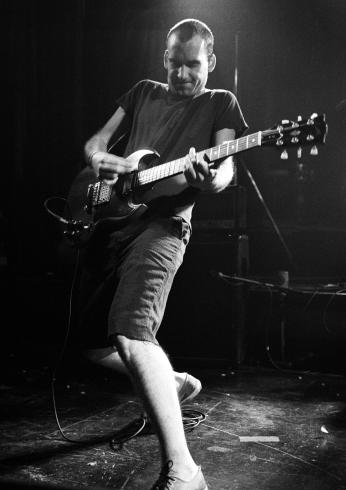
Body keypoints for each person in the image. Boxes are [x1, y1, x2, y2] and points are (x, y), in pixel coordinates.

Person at [78, 18, 248, 490]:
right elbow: (95, 142)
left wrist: (207, 177)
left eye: (192, 65)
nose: (182, 75)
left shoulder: (221, 103)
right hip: (114, 222)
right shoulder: (142, 92)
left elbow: (224, 169)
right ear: (164, 59)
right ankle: (170, 384)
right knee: (90, 346)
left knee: (132, 333)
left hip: (165, 226)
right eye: (174, 64)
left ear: (210, 62)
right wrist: (99, 160)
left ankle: (185, 470)